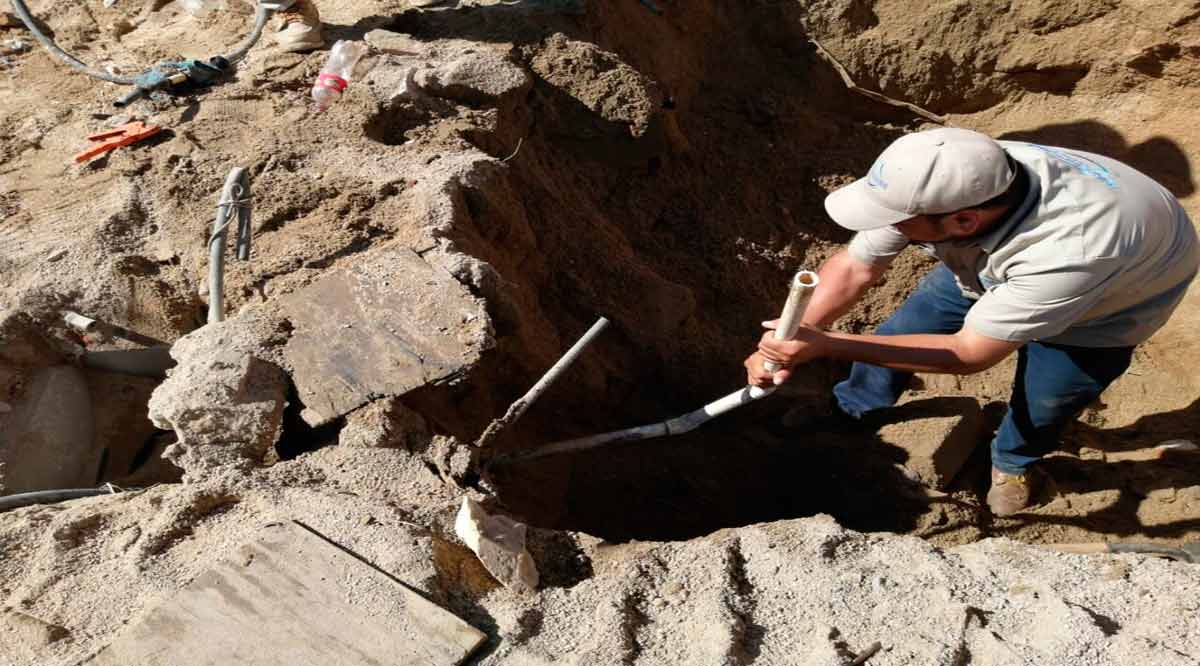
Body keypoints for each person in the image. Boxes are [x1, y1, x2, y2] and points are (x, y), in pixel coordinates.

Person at [744, 127, 1199, 516]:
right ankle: (854, 407)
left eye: (899, 224)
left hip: (1117, 298)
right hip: (999, 264)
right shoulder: (960, 175)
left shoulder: (1071, 249)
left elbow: (969, 353)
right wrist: (784, 341)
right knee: (898, 335)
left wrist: (827, 344)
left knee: (1049, 398)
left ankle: (1014, 461)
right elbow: (855, 267)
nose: (889, 228)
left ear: (963, 220)